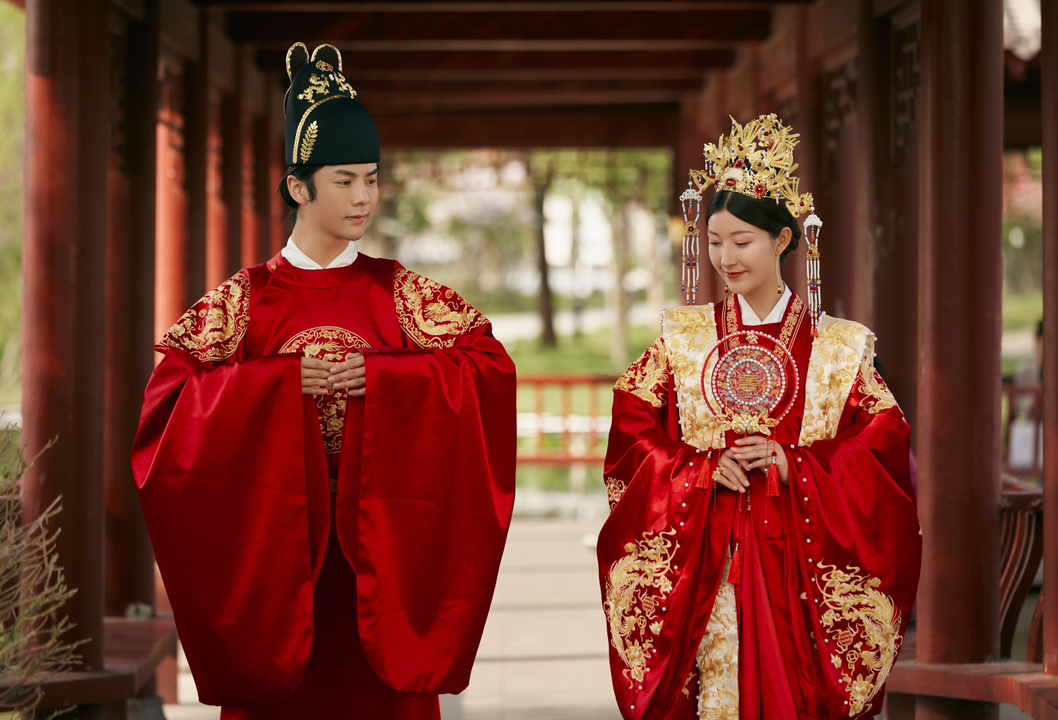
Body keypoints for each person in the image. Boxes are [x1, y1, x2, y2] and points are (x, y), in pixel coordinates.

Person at [132, 43, 517, 719]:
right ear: (298, 188)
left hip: (383, 563)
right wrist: (278, 386)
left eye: (372, 179)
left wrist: (386, 380)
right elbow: (166, 409)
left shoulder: (402, 294)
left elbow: (489, 370)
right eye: (344, 180)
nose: (364, 197)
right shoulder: (245, 301)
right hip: (278, 566)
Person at [597, 114, 920, 719]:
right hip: (707, 555)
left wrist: (796, 464)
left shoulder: (839, 347)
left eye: (741, 241)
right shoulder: (683, 339)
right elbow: (632, 427)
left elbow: (882, 441)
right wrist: (696, 470)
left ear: (783, 240)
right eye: (714, 241)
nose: (725, 257)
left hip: (800, 557)